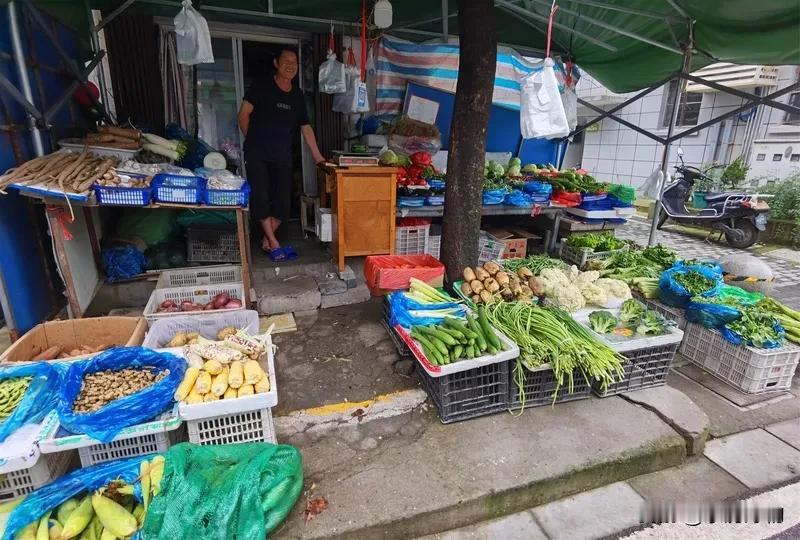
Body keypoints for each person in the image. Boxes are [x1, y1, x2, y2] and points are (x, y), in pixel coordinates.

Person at [238, 46, 325, 261]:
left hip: (282, 155)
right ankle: (273, 242)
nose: (290, 66)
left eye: (294, 63)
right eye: (285, 61)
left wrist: (318, 157)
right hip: (257, 153)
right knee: (260, 195)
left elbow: (306, 127)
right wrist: (254, 141)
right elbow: (243, 115)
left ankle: (267, 239)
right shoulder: (261, 86)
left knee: (283, 202)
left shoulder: (296, 95)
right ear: (276, 63)